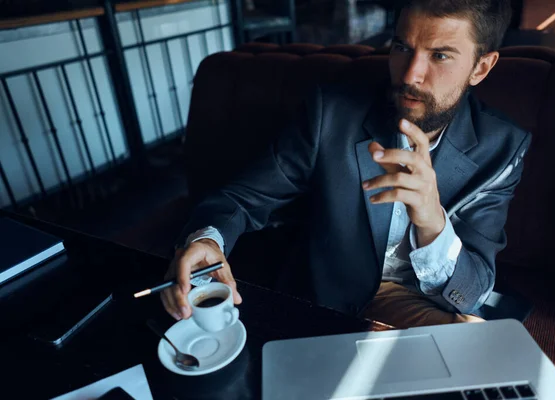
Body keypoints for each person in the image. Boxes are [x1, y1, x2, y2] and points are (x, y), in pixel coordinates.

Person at [161, 0, 531, 329]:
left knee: (473, 353)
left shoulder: (503, 148)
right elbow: (242, 197)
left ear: (481, 67)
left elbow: (472, 287)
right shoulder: (331, 114)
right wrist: (206, 239)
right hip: (330, 297)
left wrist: (433, 221)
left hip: (425, 301)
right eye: (402, 47)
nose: (409, 75)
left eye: (440, 55)